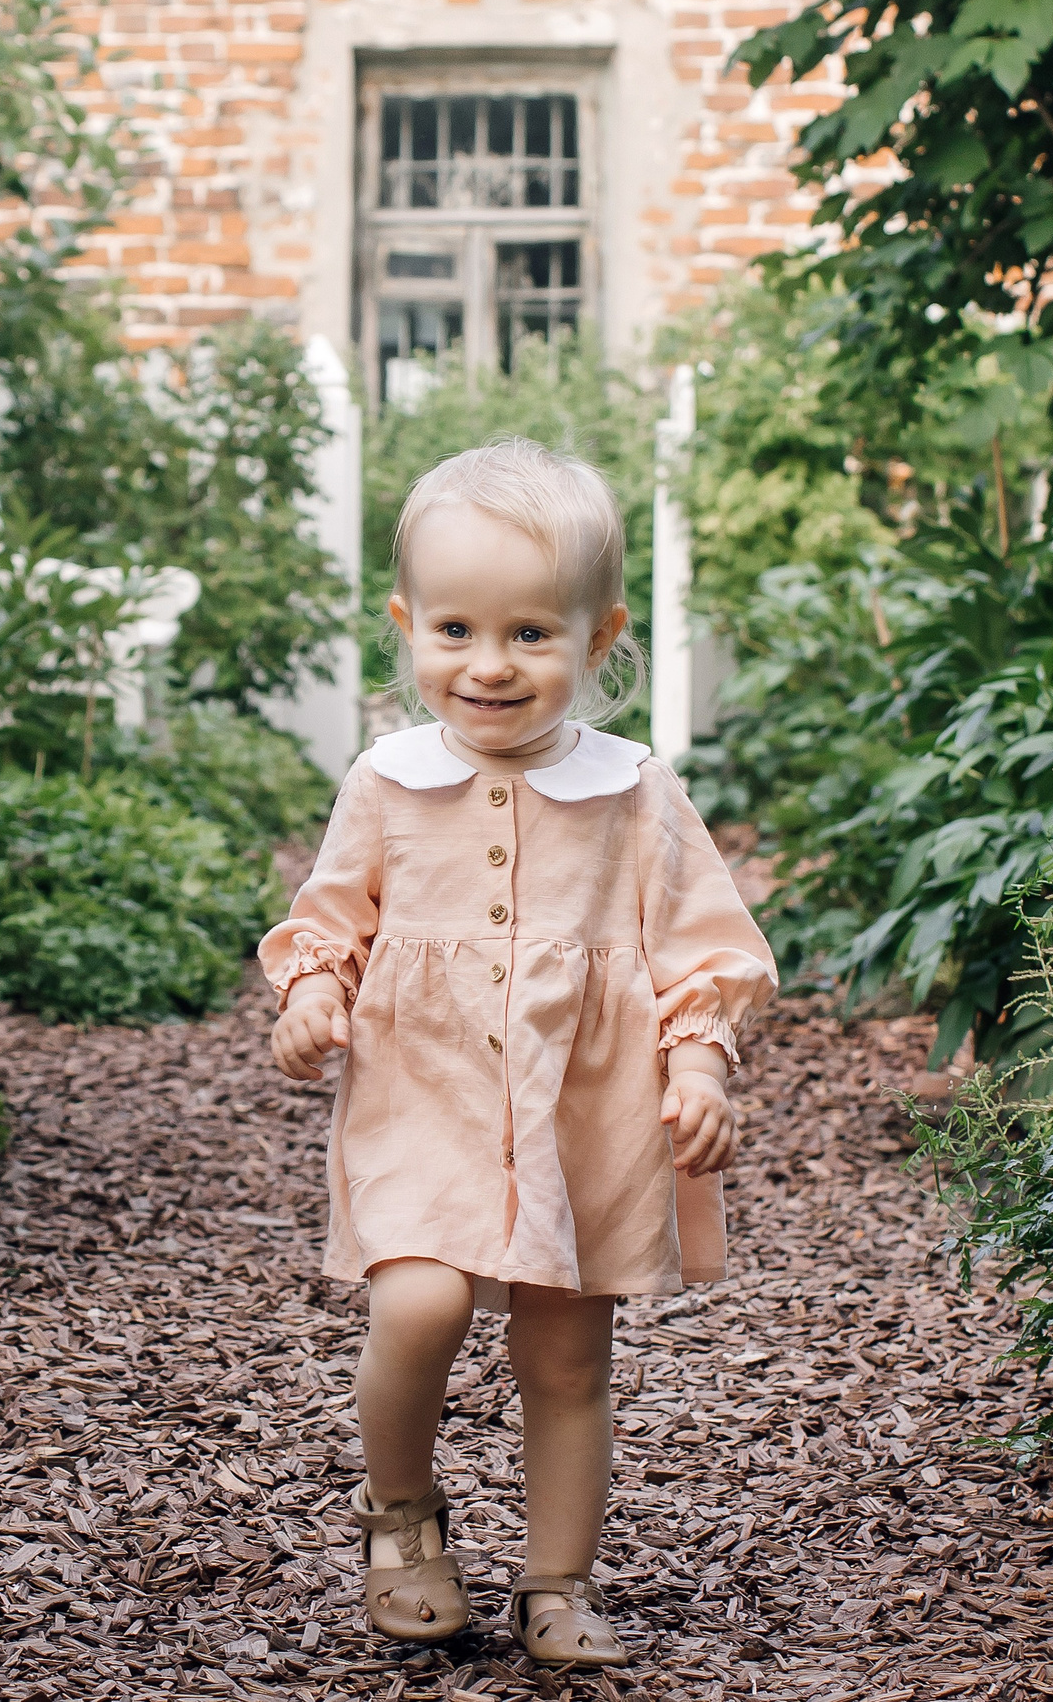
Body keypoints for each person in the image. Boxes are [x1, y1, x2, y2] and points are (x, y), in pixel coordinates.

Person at [262, 438, 776, 1668]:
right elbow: (330, 919)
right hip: (422, 1098)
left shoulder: (633, 791)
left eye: (531, 634)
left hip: (582, 1115)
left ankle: (557, 1582)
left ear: (599, 638)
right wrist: (313, 993)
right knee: (420, 1300)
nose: (488, 665)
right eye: (455, 630)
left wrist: (696, 1064)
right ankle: (400, 1513)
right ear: (407, 626)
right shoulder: (387, 781)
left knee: (565, 1351)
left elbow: (701, 946)